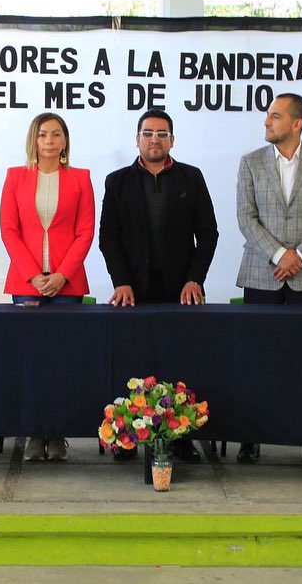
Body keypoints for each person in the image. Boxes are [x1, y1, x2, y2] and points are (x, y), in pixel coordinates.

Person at [99, 109, 219, 462]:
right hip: (132, 292)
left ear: (172, 140)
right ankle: (127, 437)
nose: (155, 139)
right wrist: (120, 281)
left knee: (180, 363)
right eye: (148, 133)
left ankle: (179, 437)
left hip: (180, 291)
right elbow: (109, 238)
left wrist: (194, 278)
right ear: (137, 139)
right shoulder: (117, 181)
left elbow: (208, 235)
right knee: (130, 361)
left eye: (162, 134)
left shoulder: (191, 178)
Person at [235, 92, 302, 464]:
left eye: (275, 116)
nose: (267, 122)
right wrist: (281, 254)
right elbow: (246, 218)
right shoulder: (250, 163)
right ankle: (251, 438)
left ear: (297, 124)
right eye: (267, 116)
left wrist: (300, 256)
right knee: (257, 361)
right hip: (261, 275)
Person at [0, 112, 94, 462]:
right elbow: (9, 230)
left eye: (56, 134)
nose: (50, 141)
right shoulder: (15, 177)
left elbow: (85, 232)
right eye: (43, 135)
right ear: (34, 140)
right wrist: (33, 276)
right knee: (31, 362)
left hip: (67, 286)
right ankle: (34, 434)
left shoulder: (81, 179)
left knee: (63, 362)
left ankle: (58, 435)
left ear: (65, 141)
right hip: (26, 285)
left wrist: (62, 275)